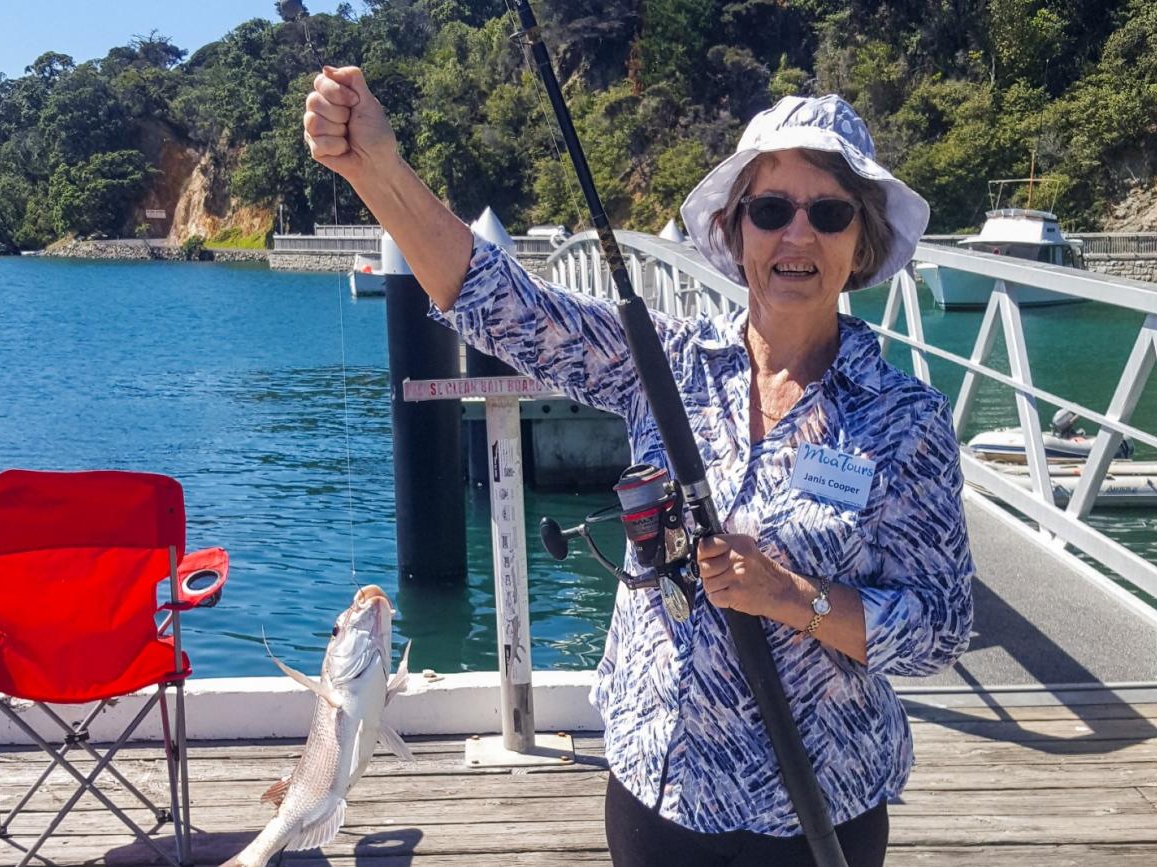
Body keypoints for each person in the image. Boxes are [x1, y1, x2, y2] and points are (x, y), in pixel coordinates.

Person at [305, 67, 974, 867]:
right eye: (770, 209)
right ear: (733, 230)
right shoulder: (666, 363)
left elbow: (939, 626)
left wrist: (793, 598)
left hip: (819, 810)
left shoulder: (909, 420)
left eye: (828, 212)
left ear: (860, 241)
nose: (797, 235)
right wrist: (373, 166)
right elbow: (498, 302)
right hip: (657, 793)